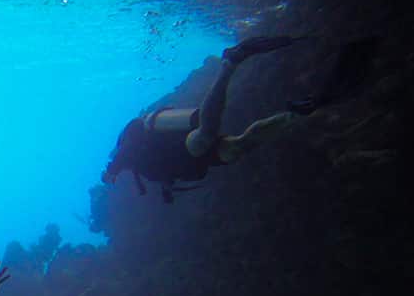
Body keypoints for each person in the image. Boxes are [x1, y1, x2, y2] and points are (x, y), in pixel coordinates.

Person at [102, 36, 306, 203]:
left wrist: (111, 171)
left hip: (181, 148)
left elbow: (124, 154)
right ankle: (295, 115)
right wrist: (167, 190)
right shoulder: (140, 169)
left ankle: (230, 63)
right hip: (194, 163)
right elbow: (165, 173)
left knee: (204, 135)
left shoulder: (129, 151)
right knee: (237, 147)